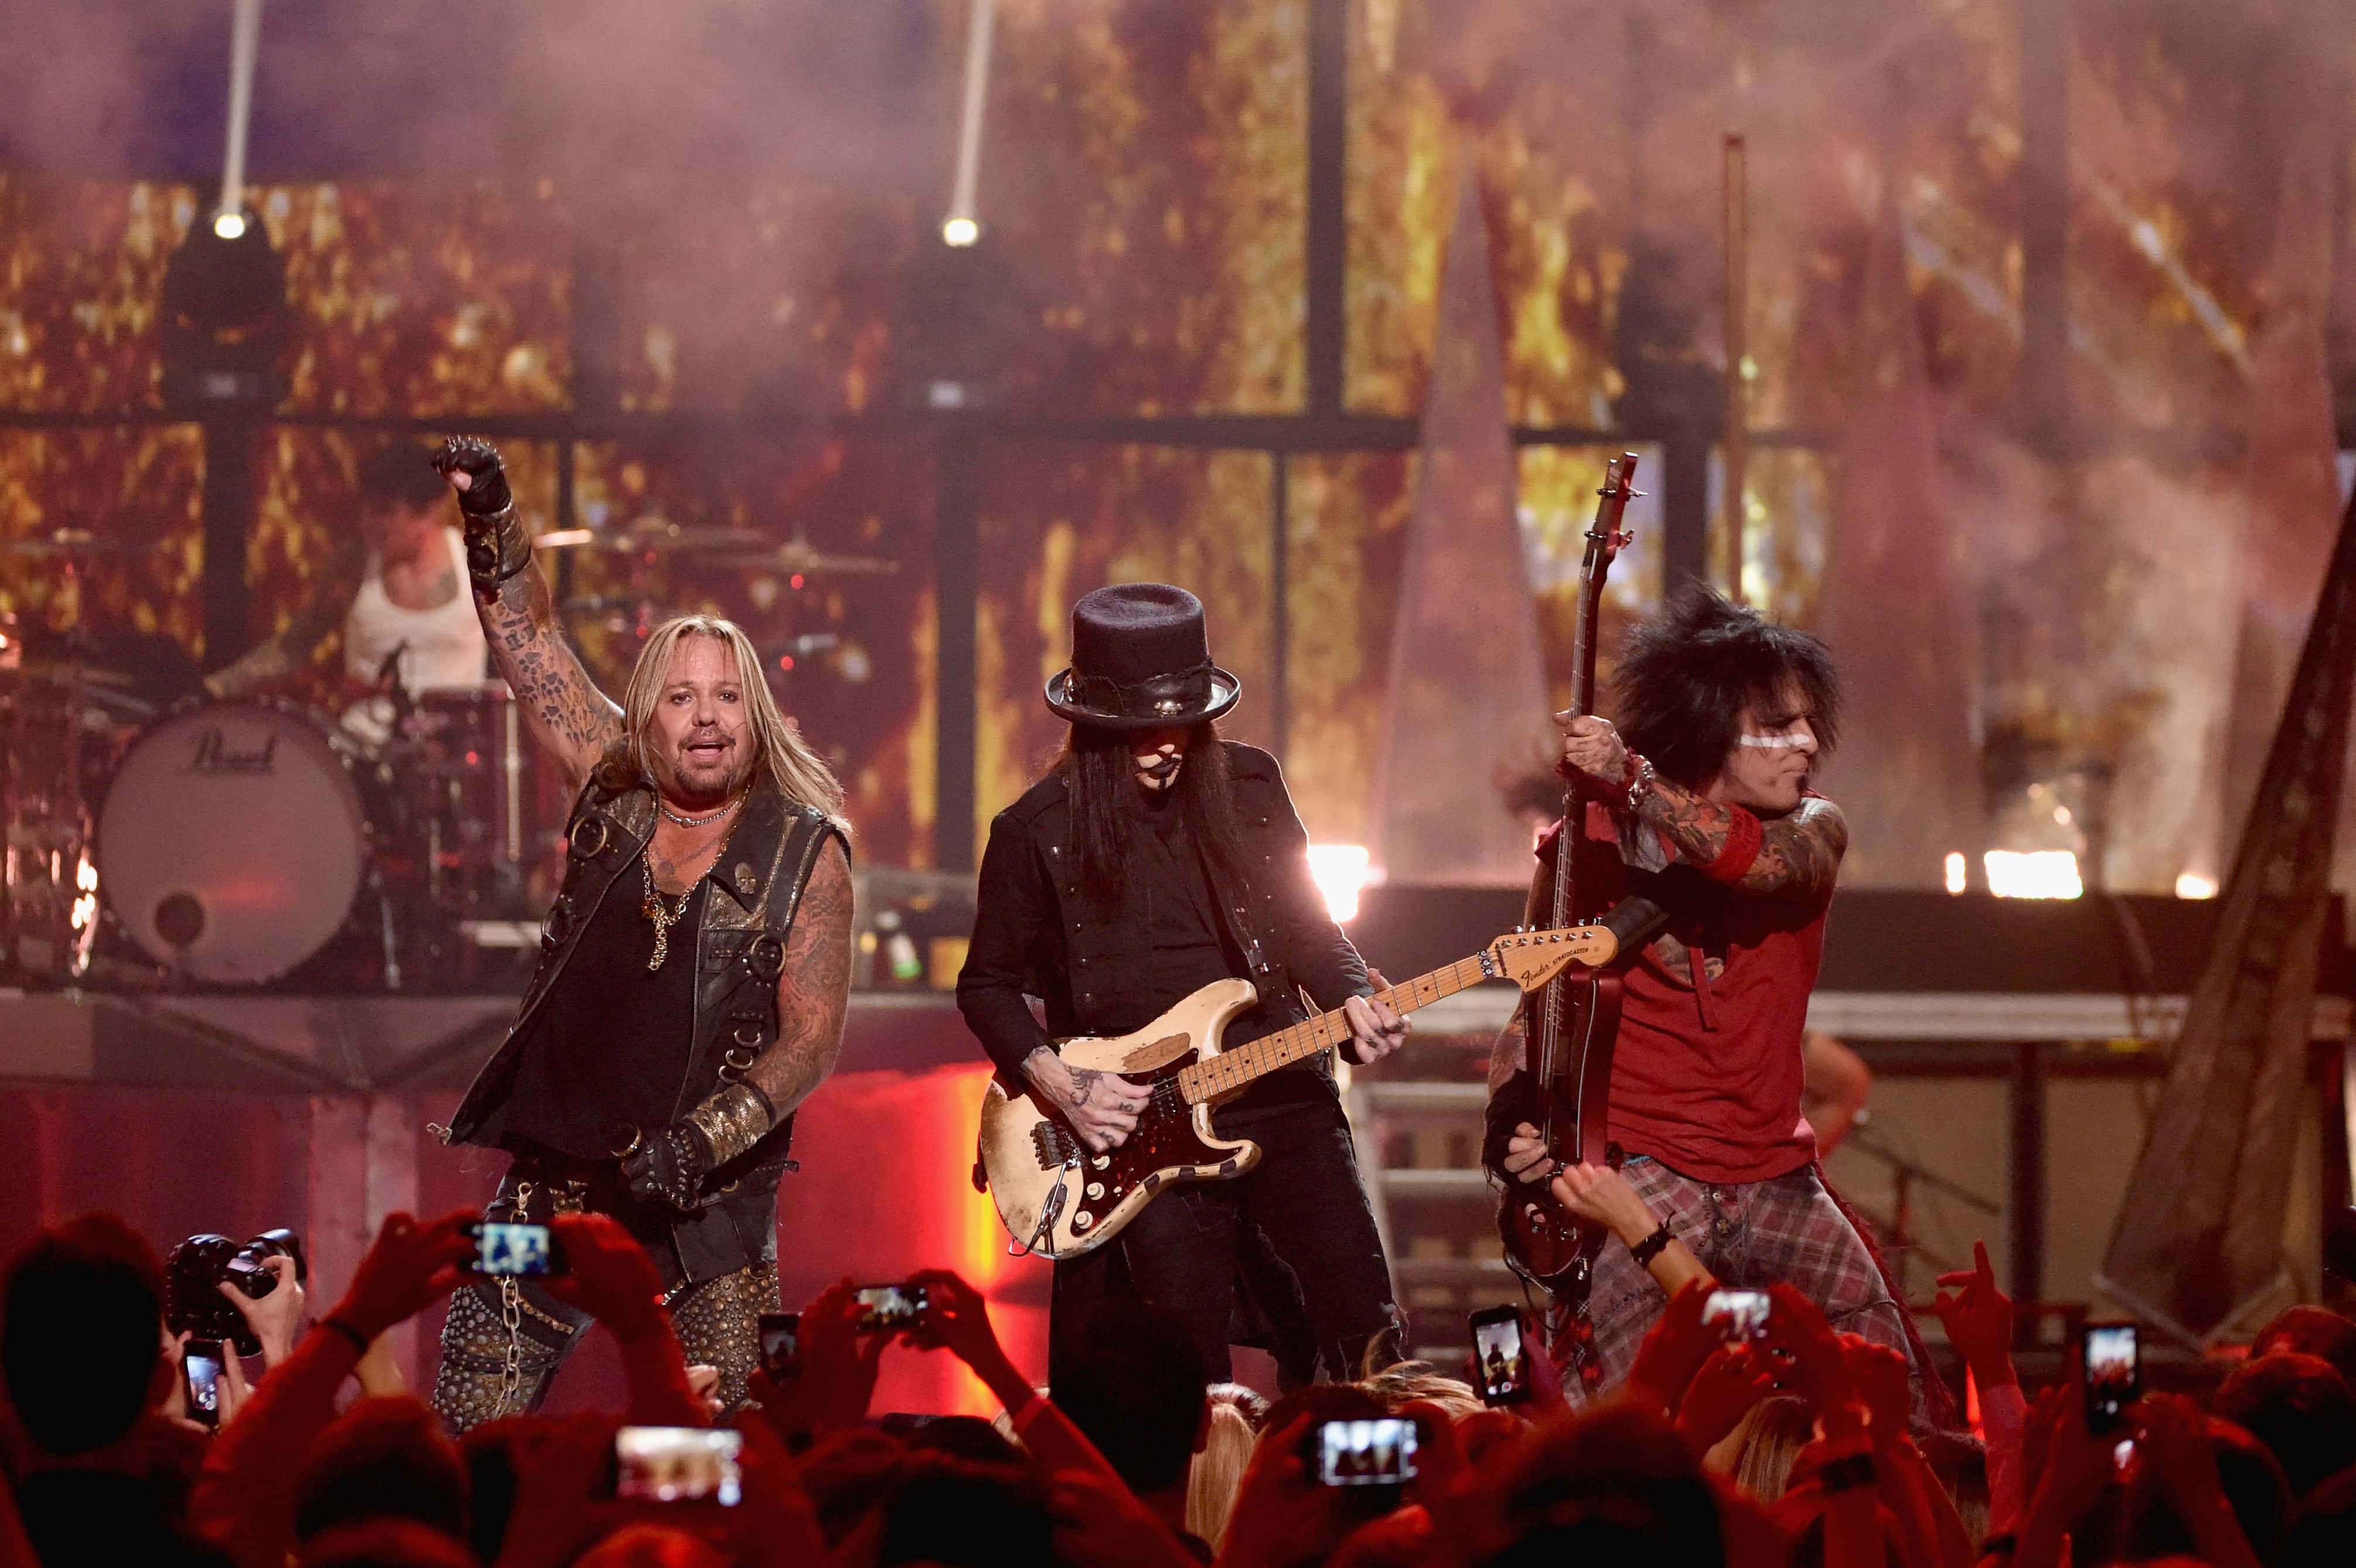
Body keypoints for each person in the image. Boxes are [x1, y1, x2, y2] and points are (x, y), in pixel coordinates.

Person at [417, 436, 854, 1431]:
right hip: (547, 1200)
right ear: (646, 717)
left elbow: (811, 1039)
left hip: (705, 1217)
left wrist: (698, 1143)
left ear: (759, 713)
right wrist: (490, 511)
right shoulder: (608, 784)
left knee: (724, 1453)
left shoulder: (803, 851)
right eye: (681, 695)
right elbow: (522, 629)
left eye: (729, 695)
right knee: (467, 1423)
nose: (707, 719)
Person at [1484, 586, 1928, 1416]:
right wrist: (1512, 1126)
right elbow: (1534, 1008)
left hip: (1778, 1175)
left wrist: (1629, 777)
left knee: (1895, 1401)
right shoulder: (1581, 844)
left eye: (1806, 720)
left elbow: (1750, 864)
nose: (1805, 741)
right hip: (1643, 1173)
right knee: (1613, 1423)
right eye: (1776, 724)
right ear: (1707, 730)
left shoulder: (1812, 828)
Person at [957, 583, 1408, 1392]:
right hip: (1140, 1121)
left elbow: (1309, 927)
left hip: (1277, 1088)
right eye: (1139, 729)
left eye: (1182, 720)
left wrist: (1349, 997)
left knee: (1361, 1332)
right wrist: (1065, 1084)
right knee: (1178, 1372)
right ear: (1092, 727)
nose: (1166, 744)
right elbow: (984, 986)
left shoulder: (1250, 789)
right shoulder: (1037, 830)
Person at [202, 441, 490, 738]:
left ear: (428, 513)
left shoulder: (480, 563)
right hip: (368, 746)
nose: (367, 524)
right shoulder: (353, 564)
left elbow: (525, 653)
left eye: (383, 513)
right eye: (365, 511)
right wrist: (216, 688)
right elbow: (295, 645)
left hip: (459, 748)